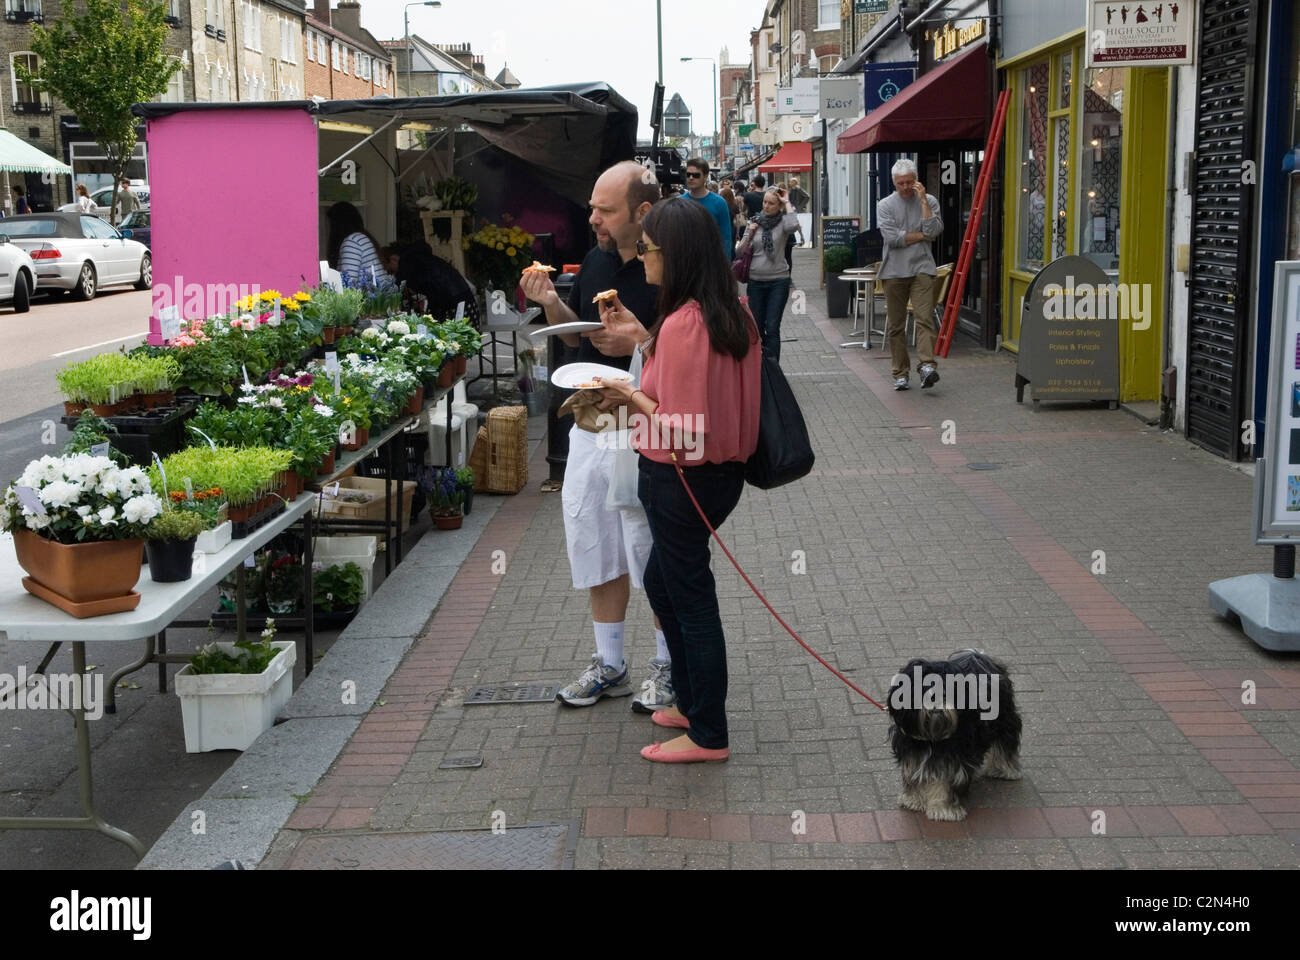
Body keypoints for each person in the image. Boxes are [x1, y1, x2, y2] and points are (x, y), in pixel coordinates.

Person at [594, 197, 761, 763]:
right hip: (715, 476)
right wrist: (645, 340)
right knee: (667, 585)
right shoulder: (728, 312)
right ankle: (692, 704)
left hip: (681, 478)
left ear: (677, 253)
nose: (640, 256)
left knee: (690, 598)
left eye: (648, 247)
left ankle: (708, 732)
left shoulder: (689, 322)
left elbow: (683, 429)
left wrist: (626, 392)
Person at [519, 160, 675, 714]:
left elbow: (692, 344)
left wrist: (643, 342)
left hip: (647, 422)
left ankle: (668, 665)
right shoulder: (595, 259)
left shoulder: (669, 266)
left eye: (604, 210)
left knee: (651, 542)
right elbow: (581, 330)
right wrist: (550, 304)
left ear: (643, 211)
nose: (593, 219)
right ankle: (610, 664)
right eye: (592, 207)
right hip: (592, 418)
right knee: (592, 531)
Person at [877, 158, 943, 390]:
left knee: (924, 318)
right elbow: (892, 238)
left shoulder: (930, 201)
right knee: (896, 325)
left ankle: (927, 366)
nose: (905, 187)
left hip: (922, 268)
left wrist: (924, 201)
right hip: (894, 270)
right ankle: (900, 372)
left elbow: (934, 231)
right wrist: (921, 235)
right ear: (894, 182)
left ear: (917, 181)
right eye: (900, 183)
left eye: (909, 182)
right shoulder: (885, 205)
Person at [735, 187, 799, 362]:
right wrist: (749, 236)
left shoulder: (783, 223)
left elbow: (794, 225)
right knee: (756, 327)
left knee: (772, 327)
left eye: (771, 203)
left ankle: (773, 367)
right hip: (756, 282)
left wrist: (787, 203)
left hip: (778, 281)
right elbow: (739, 252)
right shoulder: (753, 222)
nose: (766, 206)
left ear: (778, 206)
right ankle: (759, 366)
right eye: (765, 202)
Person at [326, 201, 395, 289]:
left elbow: (348, 287)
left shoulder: (352, 242)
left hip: (372, 301)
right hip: (380, 300)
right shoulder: (360, 238)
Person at [683, 156, 732, 260]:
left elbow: (726, 237)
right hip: (685, 264)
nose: (691, 178)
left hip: (712, 264)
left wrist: (725, 265)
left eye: (696, 175)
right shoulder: (679, 202)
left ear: (705, 176)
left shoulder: (719, 203)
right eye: (688, 174)